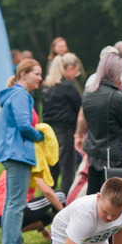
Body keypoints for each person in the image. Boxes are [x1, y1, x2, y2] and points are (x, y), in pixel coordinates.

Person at [0, 59, 47, 244]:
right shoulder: (21, 95)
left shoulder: (15, 94)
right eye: (37, 74)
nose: (40, 78)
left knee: (12, 202)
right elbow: (24, 126)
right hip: (18, 153)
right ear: (23, 74)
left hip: (13, 152)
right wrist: (40, 136)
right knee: (16, 203)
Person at [77, 51, 122, 194]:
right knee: (115, 200)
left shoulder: (88, 94)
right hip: (115, 157)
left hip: (94, 153)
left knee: (94, 198)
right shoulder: (117, 97)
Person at [43, 53, 83, 195]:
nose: (75, 75)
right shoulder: (68, 87)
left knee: (52, 168)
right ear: (70, 68)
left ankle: (46, 199)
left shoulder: (48, 86)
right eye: (76, 71)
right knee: (67, 169)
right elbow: (80, 108)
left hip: (50, 132)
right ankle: (66, 200)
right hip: (66, 132)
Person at [0, 170, 65, 240]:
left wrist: (42, 228)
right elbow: (47, 192)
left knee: (47, 217)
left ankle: (13, 233)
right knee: (59, 195)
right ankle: (60, 235)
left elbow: (31, 197)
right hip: (14, 211)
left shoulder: (8, 170)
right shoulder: (31, 168)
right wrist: (66, 218)